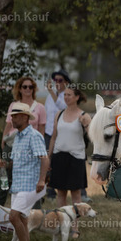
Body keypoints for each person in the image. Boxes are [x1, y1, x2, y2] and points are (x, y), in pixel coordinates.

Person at [0, 102, 49, 241]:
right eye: (12, 116)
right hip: (18, 185)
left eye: (15, 116)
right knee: (22, 219)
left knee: (13, 216)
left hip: (31, 185)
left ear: (25, 117)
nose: (12, 119)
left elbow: (44, 158)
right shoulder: (17, 137)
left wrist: (41, 180)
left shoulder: (34, 136)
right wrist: (6, 164)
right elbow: (17, 162)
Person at [48, 87, 91, 238]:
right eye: (65, 95)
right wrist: (49, 157)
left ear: (77, 97)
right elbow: (53, 137)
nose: (66, 97)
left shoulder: (84, 115)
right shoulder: (59, 114)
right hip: (59, 156)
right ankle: (62, 225)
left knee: (76, 194)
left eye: (69, 95)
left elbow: (92, 136)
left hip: (76, 158)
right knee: (60, 193)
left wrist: (86, 125)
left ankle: (75, 228)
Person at [0, 76, 47, 207]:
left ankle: (35, 205)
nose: (27, 89)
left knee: (31, 172)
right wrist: (3, 140)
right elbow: (8, 124)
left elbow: (41, 129)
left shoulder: (40, 107)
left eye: (30, 87)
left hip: (30, 142)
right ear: (19, 89)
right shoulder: (13, 105)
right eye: (24, 86)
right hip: (12, 141)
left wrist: (41, 147)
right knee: (5, 175)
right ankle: (1, 206)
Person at [45, 70, 70, 199]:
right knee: (47, 161)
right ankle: (50, 191)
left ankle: (63, 188)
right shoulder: (49, 97)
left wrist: (50, 91)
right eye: (55, 80)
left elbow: (62, 107)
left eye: (60, 80)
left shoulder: (68, 96)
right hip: (48, 133)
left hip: (61, 135)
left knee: (60, 162)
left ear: (66, 82)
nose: (57, 83)